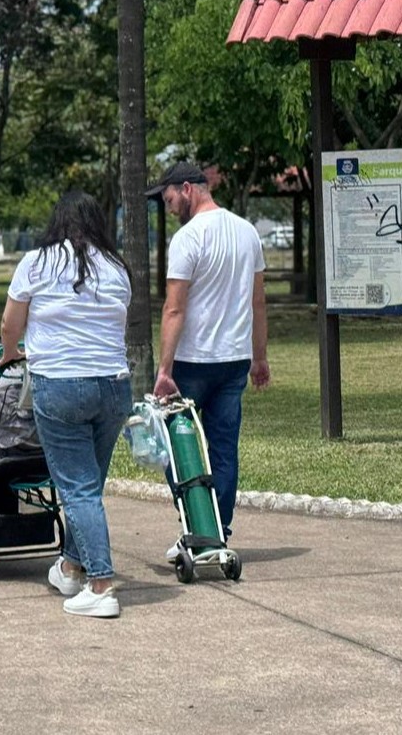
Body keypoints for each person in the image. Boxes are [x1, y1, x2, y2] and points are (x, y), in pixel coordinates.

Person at [0, 190, 132, 618]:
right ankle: (71, 566)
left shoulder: (36, 262)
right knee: (88, 486)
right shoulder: (117, 268)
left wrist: (9, 351)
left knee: (76, 489)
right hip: (113, 386)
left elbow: (10, 324)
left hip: (60, 385)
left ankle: (101, 584)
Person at [144, 162, 270, 558]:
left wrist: (164, 370)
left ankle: (197, 526)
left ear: (187, 189)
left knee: (174, 443)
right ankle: (219, 530)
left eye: (169, 199)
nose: (168, 208)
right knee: (223, 448)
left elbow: (174, 309)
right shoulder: (247, 232)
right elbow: (258, 301)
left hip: (193, 361)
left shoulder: (188, 238)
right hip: (234, 359)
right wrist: (259, 359)